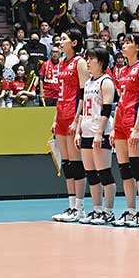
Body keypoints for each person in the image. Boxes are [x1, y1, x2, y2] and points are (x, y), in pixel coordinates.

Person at [111, 33, 139, 227]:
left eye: (128, 43)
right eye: (123, 42)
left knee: (137, 168)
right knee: (124, 169)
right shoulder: (123, 70)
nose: (124, 45)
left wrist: (137, 128)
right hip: (120, 123)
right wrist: (113, 127)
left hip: (134, 123)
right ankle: (130, 209)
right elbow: (120, 100)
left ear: (137, 47)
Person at [74, 47, 117, 225]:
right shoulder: (89, 82)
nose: (88, 63)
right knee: (91, 173)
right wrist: (78, 131)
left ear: (100, 61)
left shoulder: (106, 82)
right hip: (86, 131)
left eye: (91, 59)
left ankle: (108, 211)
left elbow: (107, 109)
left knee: (104, 173)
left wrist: (99, 133)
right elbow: (84, 109)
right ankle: (97, 209)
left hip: (100, 132)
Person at [51, 28, 89, 223]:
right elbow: (60, 93)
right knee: (66, 163)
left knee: (76, 162)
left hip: (74, 114)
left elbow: (84, 93)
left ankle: (80, 208)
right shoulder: (62, 63)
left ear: (74, 42)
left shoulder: (80, 62)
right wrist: (55, 118)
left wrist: (78, 119)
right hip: (62, 114)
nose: (60, 42)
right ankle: (71, 205)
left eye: (64, 39)